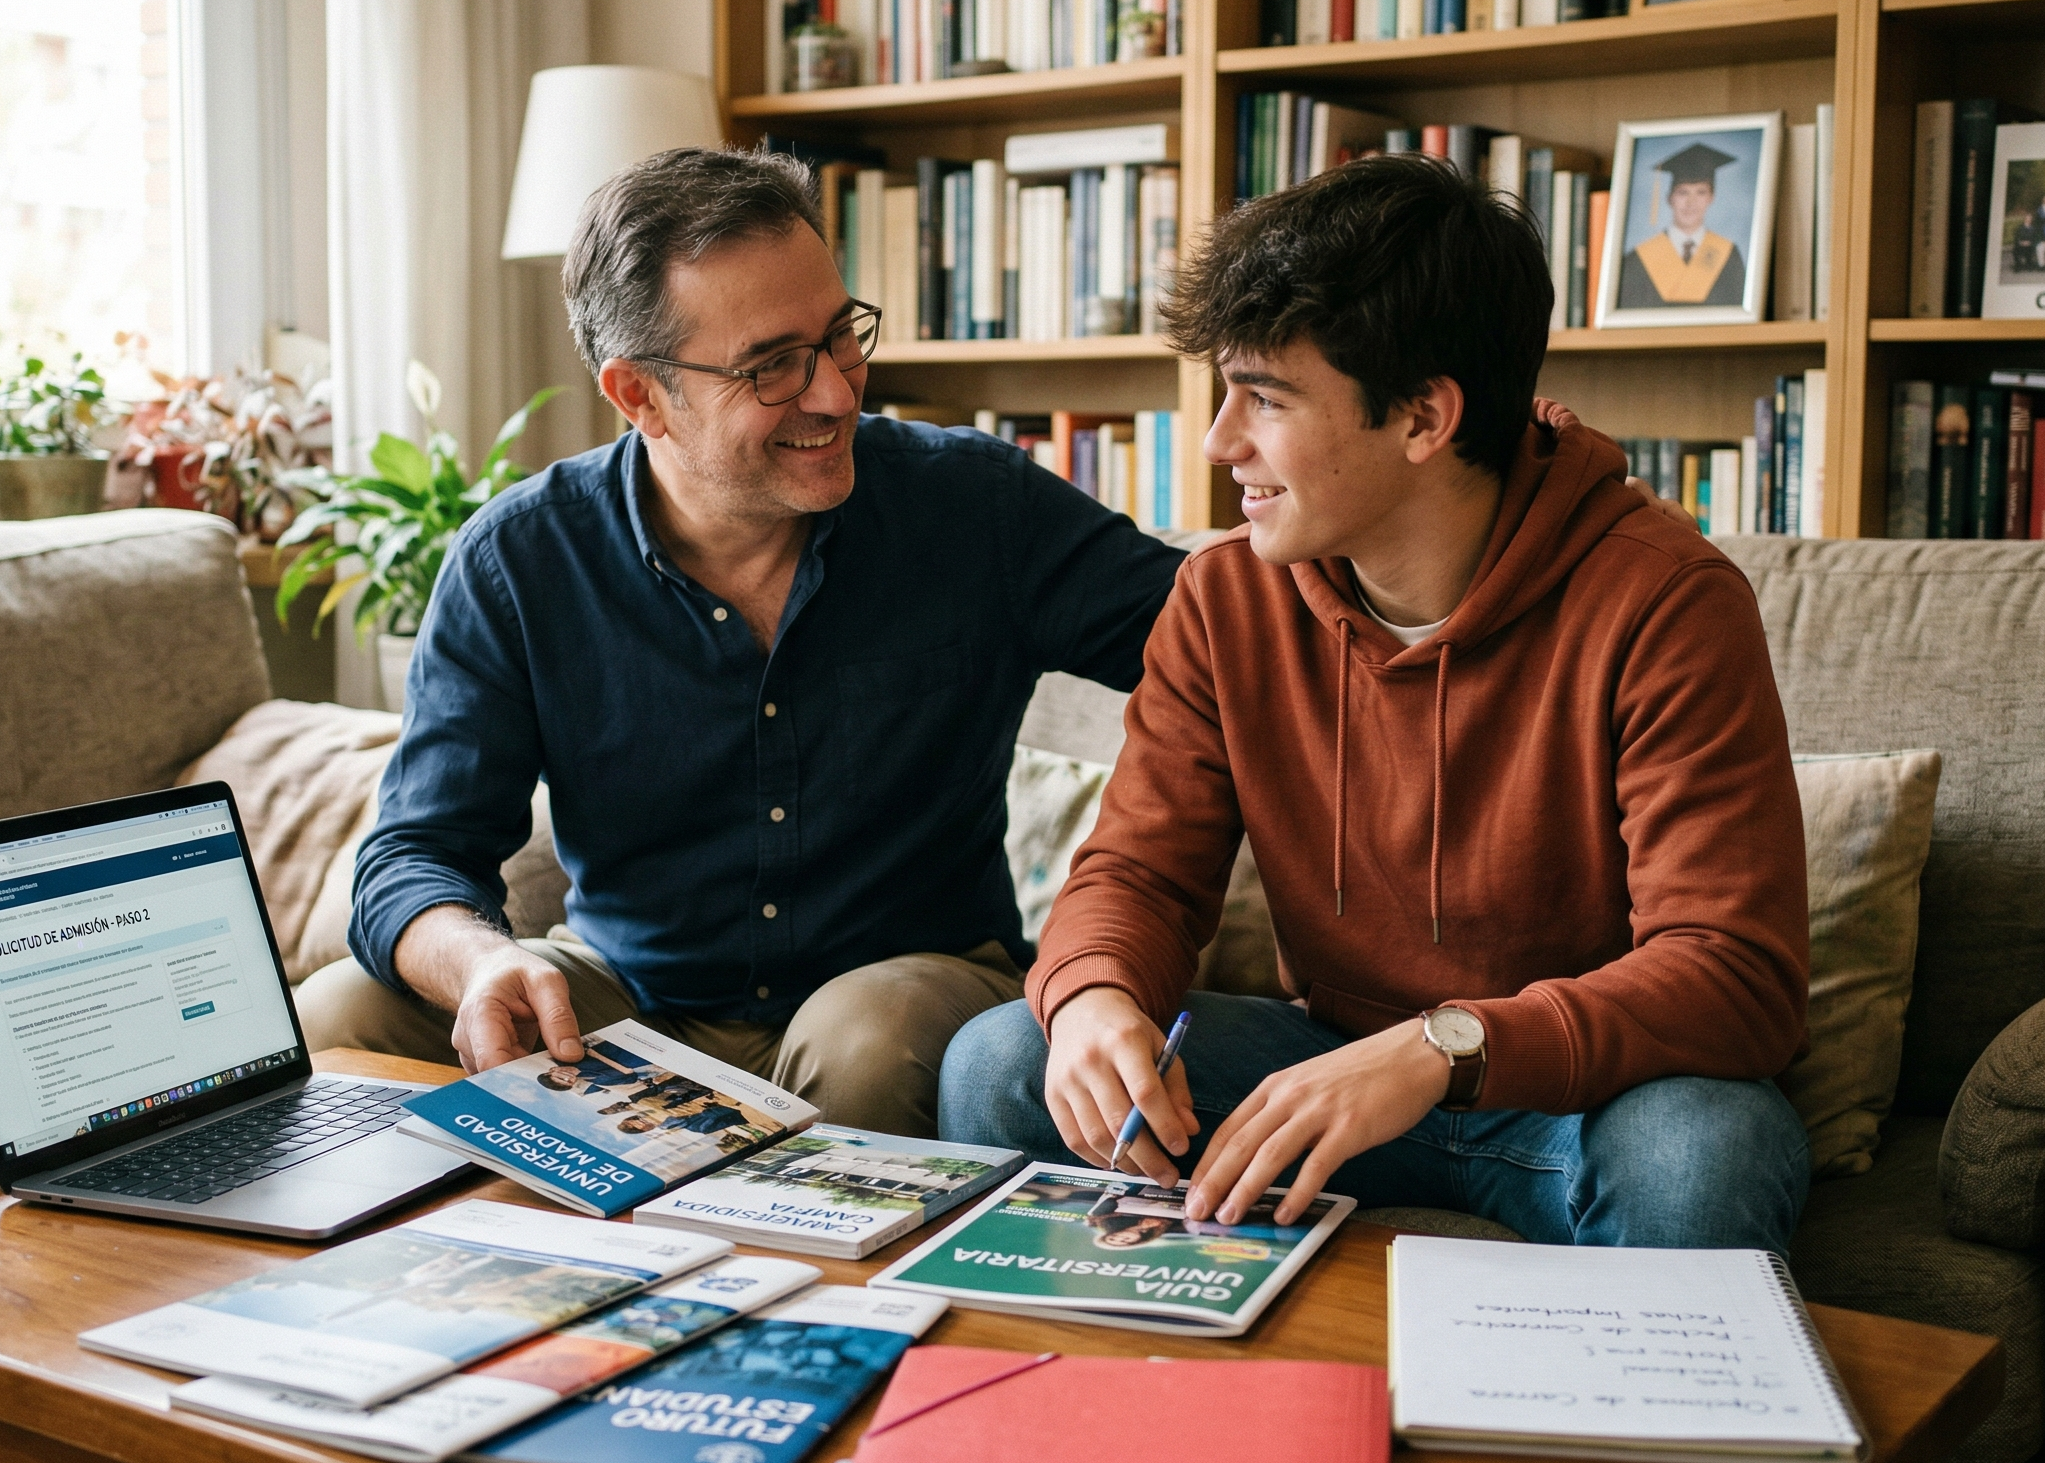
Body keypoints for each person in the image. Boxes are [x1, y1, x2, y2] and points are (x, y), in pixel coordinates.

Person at [939, 154, 1812, 1255]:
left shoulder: (1664, 601)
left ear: (1421, 418)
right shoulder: (1223, 597)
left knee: (1705, 1150)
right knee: (999, 1061)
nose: (1218, 441)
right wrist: (1093, 993)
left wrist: (1443, 1045)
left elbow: (1734, 972)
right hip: (1324, 1065)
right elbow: (1138, 871)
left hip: (1592, 1096)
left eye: (1264, 397)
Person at [293, 146, 1185, 1138]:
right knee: (340, 1011)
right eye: (772, 366)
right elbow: (413, 853)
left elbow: (1221, 640)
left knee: (862, 1036)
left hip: (903, 984)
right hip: (628, 997)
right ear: (637, 395)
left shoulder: (973, 505)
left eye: (840, 336)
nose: (837, 392)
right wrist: (482, 961)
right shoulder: (519, 560)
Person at [1615, 141, 1747, 309]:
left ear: (1711, 198)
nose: (1691, 203)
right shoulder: (1638, 259)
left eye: (1701, 192)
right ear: (1669, 198)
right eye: (1683, 192)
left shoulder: (1728, 255)